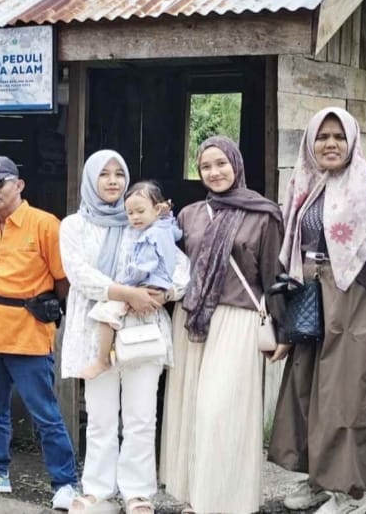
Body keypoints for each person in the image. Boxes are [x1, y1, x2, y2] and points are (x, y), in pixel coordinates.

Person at [268, 108, 366, 514]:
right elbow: (291, 247)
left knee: (347, 393)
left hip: (360, 299)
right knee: (308, 388)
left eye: (338, 136)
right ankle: (319, 477)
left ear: (352, 139)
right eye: (322, 137)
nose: (330, 144)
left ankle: (351, 492)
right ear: (310, 143)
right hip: (313, 297)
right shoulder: (305, 181)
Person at [158, 136, 286, 514]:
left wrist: (283, 327)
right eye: (206, 167)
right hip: (193, 316)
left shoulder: (263, 214)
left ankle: (227, 500)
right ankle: (197, 497)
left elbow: (273, 275)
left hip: (238, 317)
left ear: (236, 164)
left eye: (221, 164)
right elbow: (175, 266)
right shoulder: (189, 215)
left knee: (222, 411)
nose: (214, 172)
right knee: (192, 410)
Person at [59, 151, 190, 514]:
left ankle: (137, 492)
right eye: (104, 174)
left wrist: (161, 294)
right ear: (90, 179)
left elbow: (181, 269)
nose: (113, 180)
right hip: (94, 328)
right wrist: (126, 293)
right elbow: (79, 274)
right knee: (100, 416)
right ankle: (98, 490)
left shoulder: (145, 222)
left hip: (142, 329)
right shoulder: (74, 225)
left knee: (141, 415)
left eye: (120, 173)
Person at [0, 156, 80, 511]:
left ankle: (65, 482)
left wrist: (52, 308)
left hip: (28, 331)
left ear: (19, 184)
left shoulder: (45, 225)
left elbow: (62, 278)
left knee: (45, 412)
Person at [79, 178, 183, 381]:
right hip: (158, 285)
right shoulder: (166, 230)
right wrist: (166, 214)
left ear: (155, 209)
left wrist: (125, 287)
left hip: (145, 286)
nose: (134, 217)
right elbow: (177, 231)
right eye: (130, 213)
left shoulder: (148, 237)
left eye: (140, 211)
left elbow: (142, 269)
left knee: (106, 314)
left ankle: (101, 359)